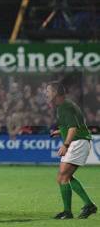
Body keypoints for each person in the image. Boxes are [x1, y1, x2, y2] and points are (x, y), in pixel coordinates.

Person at [46, 81, 97, 219]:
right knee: (65, 177)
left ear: (55, 93)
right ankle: (87, 205)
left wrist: (65, 145)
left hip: (77, 142)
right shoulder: (66, 105)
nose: (47, 94)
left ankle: (69, 211)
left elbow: (73, 128)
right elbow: (72, 125)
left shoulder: (64, 107)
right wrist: (59, 132)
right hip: (79, 141)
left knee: (62, 176)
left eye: (48, 91)